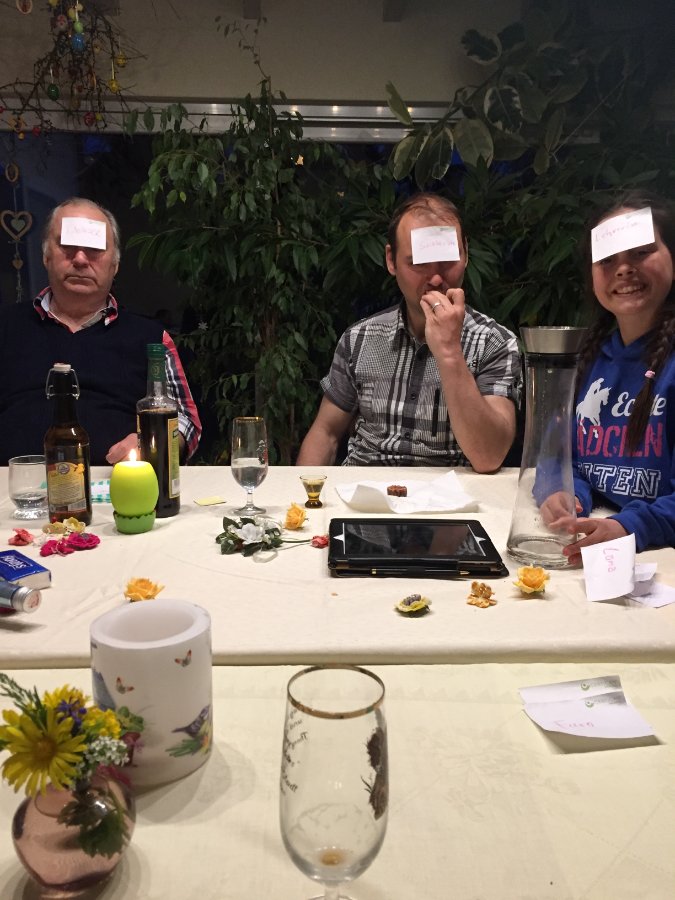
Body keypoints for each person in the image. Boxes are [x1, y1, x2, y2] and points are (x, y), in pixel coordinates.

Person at [296, 193, 521, 470]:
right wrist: (305, 493)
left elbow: (489, 456)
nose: (436, 278)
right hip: (364, 487)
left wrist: (450, 352)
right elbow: (326, 433)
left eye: (447, 261)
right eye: (419, 263)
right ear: (391, 260)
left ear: (465, 253)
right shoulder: (359, 338)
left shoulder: (495, 343)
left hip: (450, 491)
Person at [0, 198, 201, 465]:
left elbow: (187, 421)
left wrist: (155, 442)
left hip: (119, 485)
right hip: (13, 486)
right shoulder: (6, 327)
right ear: (46, 256)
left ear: (115, 265)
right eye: (68, 247)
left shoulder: (151, 338)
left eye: (94, 249)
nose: (80, 259)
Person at [548, 191, 674, 564]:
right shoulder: (588, 357)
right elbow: (555, 456)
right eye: (607, 259)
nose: (623, 269)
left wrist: (629, 526)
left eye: (641, 252)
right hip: (600, 544)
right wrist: (565, 493)